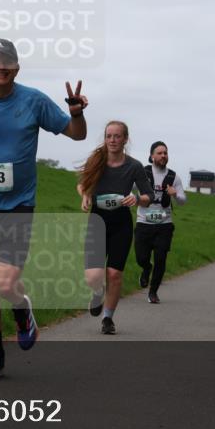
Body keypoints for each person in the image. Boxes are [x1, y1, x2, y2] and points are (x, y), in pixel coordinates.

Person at [0, 39, 87, 379]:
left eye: (7, 60)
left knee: (6, 284)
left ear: (17, 68)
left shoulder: (34, 101)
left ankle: (22, 310)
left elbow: (76, 135)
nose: (1, 66)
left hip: (18, 205)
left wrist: (77, 113)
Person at [77, 121, 153, 334]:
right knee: (93, 277)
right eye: (109, 136)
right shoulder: (97, 160)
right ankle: (97, 291)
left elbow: (149, 196)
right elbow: (82, 184)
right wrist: (84, 196)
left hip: (121, 223)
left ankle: (108, 319)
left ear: (125, 139)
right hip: (97, 220)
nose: (112, 140)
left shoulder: (134, 166)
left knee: (114, 274)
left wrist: (137, 199)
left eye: (117, 136)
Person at [134, 141, 186, 304]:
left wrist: (175, 194)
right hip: (144, 222)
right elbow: (127, 188)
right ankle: (146, 268)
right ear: (151, 156)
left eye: (166, 153)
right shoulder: (142, 172)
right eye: (160, 153)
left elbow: (183, 200)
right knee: (141, 257)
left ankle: (153, 292)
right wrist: (133, 197)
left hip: (164, 224)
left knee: (161, 258)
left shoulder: (173, 176)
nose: (164, 155)